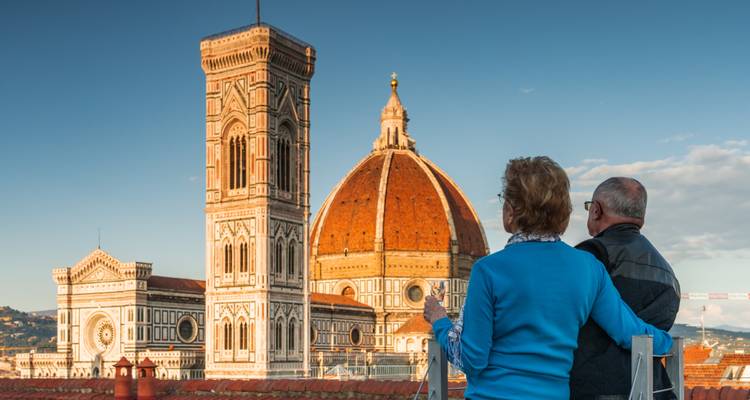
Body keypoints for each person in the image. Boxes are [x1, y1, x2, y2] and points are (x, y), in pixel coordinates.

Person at [423, 156, 672, 400]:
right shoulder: (589, 268)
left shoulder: (489, 270)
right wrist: (669, 343)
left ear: (511, 211)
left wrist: (439, 321)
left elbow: (471, 358)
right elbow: (631, 332)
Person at [570, 178, 681, 400]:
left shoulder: (591, 257)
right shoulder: (667, 272)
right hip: (650, 387)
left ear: (596, 210)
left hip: (592, 387)